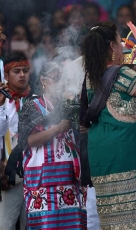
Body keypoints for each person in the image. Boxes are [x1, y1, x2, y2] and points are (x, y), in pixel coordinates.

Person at [81, 21, 136, 229]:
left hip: (101, 154)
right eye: (119, 40)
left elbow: (128, 90)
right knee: (129, 220)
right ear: (112, 47)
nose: (122, 44)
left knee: (111, 220)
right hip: (123, 154)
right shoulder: (121, 73)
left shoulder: (92, 75)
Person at [17, 61, 87, 229]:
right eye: (55, 79)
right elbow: (28, 141)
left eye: (62, 79)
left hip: (68, 175)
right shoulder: (31, 106)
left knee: (72, 223)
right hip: (41, 178)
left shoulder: (70, 104)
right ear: (43, 80)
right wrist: (57, 129)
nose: (60, 84)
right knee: (46, 224)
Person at [0, 52, 31, 230]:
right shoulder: (2, 101)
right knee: (6, 225)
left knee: (32, 224)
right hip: (9, 173)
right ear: (6, 75)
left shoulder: (36, 99)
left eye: (25, 70)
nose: (22, 75)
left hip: (34, 172)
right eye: (16, 71)